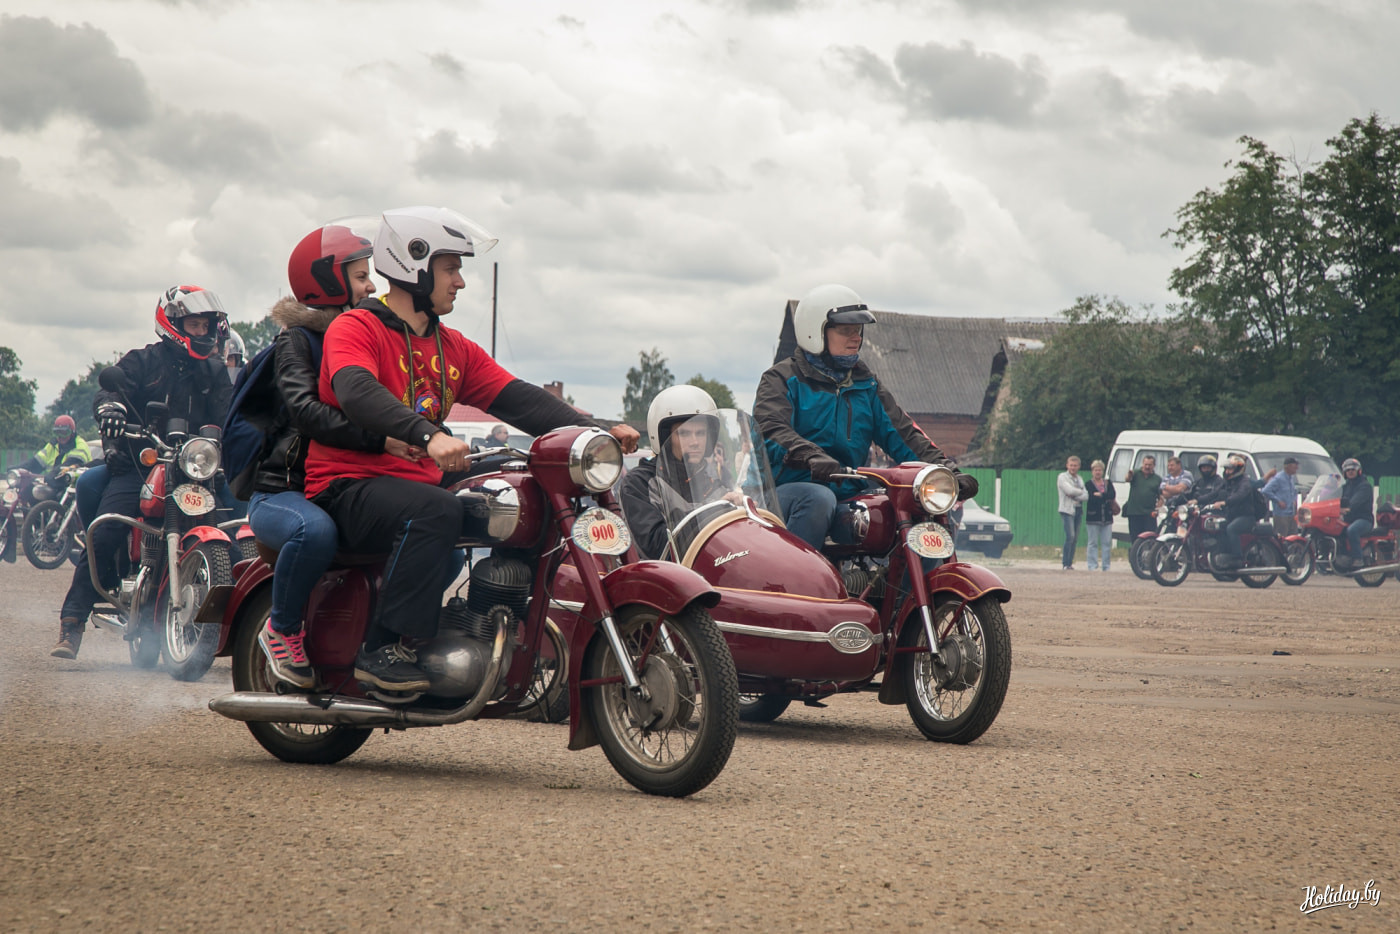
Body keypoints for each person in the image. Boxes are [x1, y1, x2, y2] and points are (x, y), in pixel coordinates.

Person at [302, 206, 639, 692]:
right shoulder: (356, 328)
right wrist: (428, 435)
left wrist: (598, 428)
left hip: (414, 486)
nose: (460, 282)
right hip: (347, 485)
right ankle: (383, 648)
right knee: (436, 510)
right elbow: (356, 391)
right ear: (412, 263)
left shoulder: (451, 347)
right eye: (451, 268)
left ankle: (498, 624)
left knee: (520, 492)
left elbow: (520, 400)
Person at [246, 222, 425, 688]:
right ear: (326, 282)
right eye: (362, 276)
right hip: (284, 492)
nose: (372, 286)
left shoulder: (367, 335)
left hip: (344, 483)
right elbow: (305, 412)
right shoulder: (299, 341)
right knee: (314, 531)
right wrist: (378, 441)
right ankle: (281, 627)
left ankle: (385, 646)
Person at [53, 286, 232, 659]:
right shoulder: (143, 361)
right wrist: (110, 410)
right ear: (173, 324)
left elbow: (230, 416)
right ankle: (72, 622)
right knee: (107, 530)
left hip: (198, 471)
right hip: (140, 466)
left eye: (206, 326)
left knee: (246, 522)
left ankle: (250, 626)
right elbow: (110, 392)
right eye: (195, 325)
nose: (202, 333)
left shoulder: (215, 372)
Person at [753, 284, 973, 551]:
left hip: (847, 489)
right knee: (818, 499)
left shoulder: (865, 384)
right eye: (845, 330)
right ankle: (796, 584)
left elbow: (903, 434)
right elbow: (773, 431)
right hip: (786, 491)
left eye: (858, 330)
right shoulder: (781, 379)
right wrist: (812, 457)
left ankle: (909, 590)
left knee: (910, 509)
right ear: (815, 331)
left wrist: (946, 470)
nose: (855, 337)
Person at [620, 385, 742, 560]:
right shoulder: (639, 483)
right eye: (684, 433)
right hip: (660, 580)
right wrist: (712, 514)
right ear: (663, 437)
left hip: (711, 577)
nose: (694, 442)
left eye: (700, 433)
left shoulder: (714, 485)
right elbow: (657, 547)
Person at [1209, 455, 1256, 568]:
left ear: (1238, 470)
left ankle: (1237, 558)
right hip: (1232, 516)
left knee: (1231, 529)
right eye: (1226, 469)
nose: (1227, 471)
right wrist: (1196, 500)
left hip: (1246, 517)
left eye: (1230, 469)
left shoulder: (1245, 482)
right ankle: (1224, 554)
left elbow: (1240, 495)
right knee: (1219, 526)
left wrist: (1225, 502)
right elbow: (1214, 493)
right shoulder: (1228, 482)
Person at [1337, 457, 1374, 567]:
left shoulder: (1364, 486)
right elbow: (1336, 498)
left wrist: (1347, 508)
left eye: (1353, 469)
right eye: (1348, 470)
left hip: (1364, 519)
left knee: (1352, 530)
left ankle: (1358, 559)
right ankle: (1342, 556)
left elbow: (1355, 502)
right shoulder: (1345, 486)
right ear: (1344, 472)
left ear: (1358, 471)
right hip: (1348, 519)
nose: (1350, 472)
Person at [1083, 459, 1116, 572]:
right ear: (1092, 471)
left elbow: (1112, 495)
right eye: (1096, 470)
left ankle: (1106, 566)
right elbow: (1090, 498)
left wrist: (1101, 495)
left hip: (1107, 517)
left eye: (1100, 470)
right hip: (1093, 517)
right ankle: (1092, 565)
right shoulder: (1088, 484)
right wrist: (1103, 497)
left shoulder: (1107, 483)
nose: (1098, 472)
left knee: (1106, 543)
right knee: (1092, 543)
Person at [1056, 455, 1088, 570]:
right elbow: (1068, 490)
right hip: (1067, 509)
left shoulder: (1079, 479)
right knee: (1070, 536)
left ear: (1078, 466)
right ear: (1067, 465)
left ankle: (1070, 563)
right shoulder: (1062, 477)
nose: (1073, 468)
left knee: (1075, 538)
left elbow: (1086, 496)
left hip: (1078, 509)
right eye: (1071, 465)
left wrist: (1076, 494)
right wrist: (1079, 492)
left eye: (1075, 465)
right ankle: (1065, 563)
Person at [1121, 455, 1161, 541]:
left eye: (1150, 465)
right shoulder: (1135, 473)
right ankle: (1135, 554)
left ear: (1154, 466)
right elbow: (1127, 479)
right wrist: (1129, 474)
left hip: (1149, 514)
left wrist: (1157, 509)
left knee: (1150, 538)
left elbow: (1161, 497)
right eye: (1145, 464)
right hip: (1134, 513)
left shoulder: (1157, 479)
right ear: (1142, 464)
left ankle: (1148, 554)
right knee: (1135, 538)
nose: (1147, 467)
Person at [1261, 456, 1300, 536]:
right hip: (1281, 515)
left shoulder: (1291, 478)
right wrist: (1278, 501)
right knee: (1281, 538)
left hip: (1292, 514)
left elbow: (1293, 492)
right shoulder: (1278, 478)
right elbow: (1265, 490)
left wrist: (1294, 500)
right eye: (1294, 465)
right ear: (1288, 466)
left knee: (1292, 538)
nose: (1297, 467)